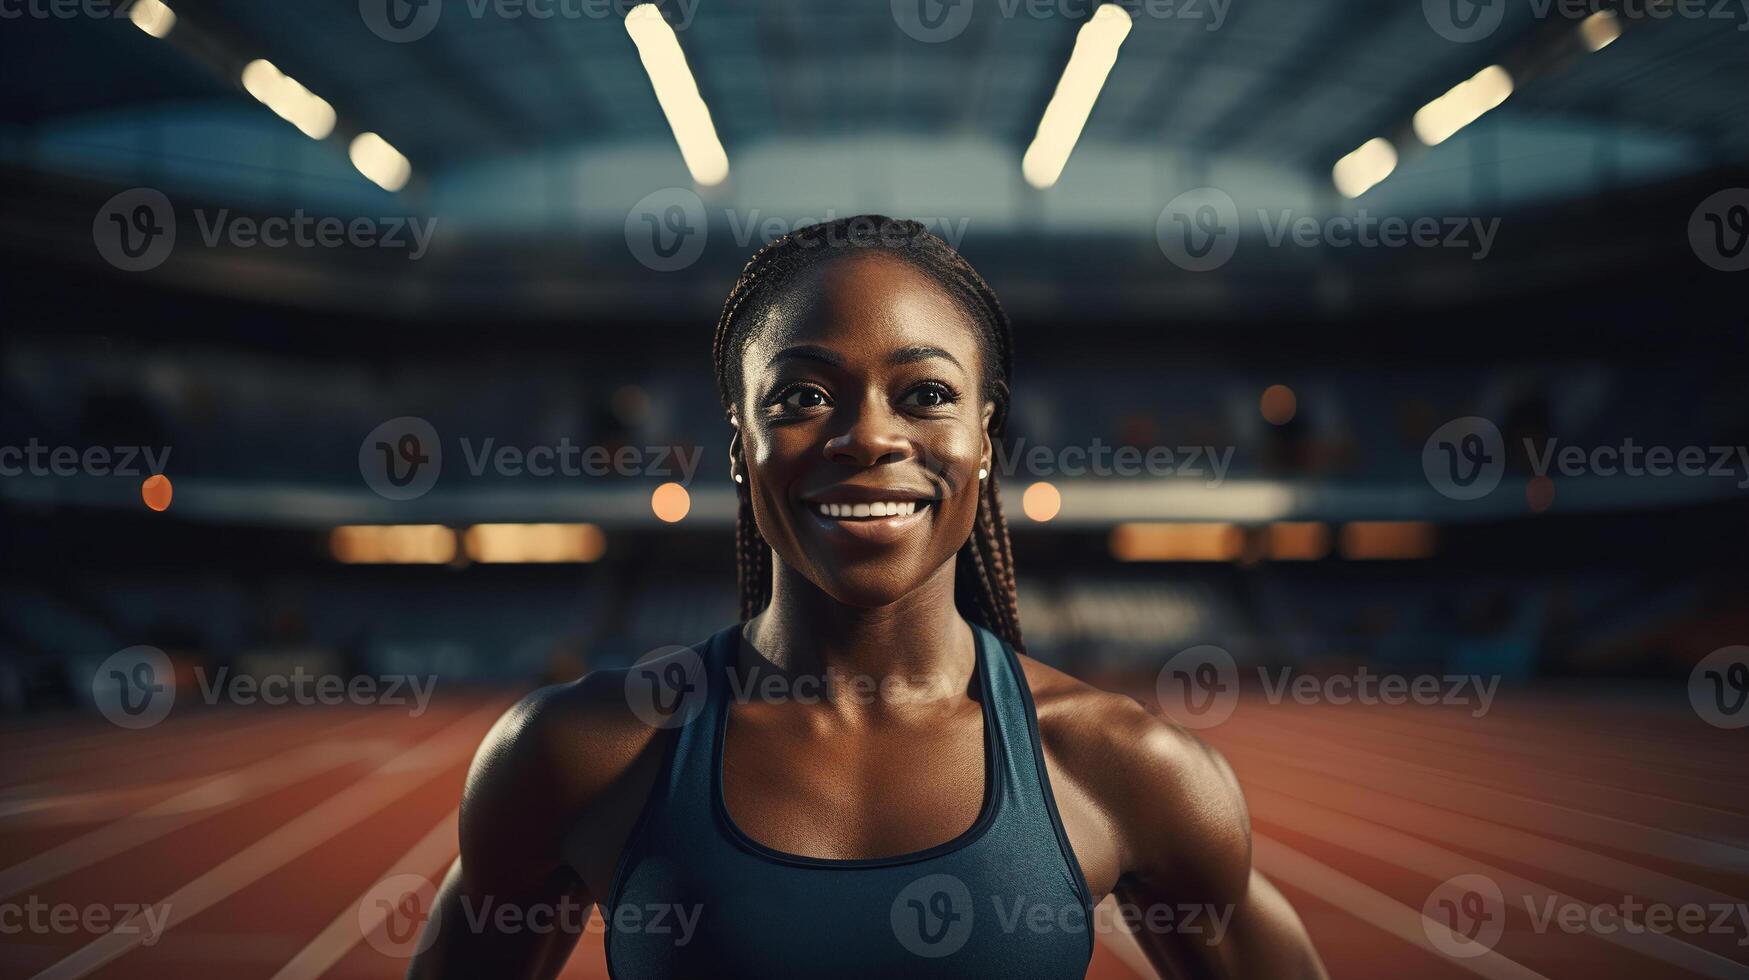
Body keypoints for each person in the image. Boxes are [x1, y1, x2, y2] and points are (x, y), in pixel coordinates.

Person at [409, 216, 1327, 979]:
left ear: (985, 435)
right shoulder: (579, 754)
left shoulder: (1127, 765)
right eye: (803, 395)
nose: (867, 437)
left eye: (925, 392)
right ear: (738, 443)